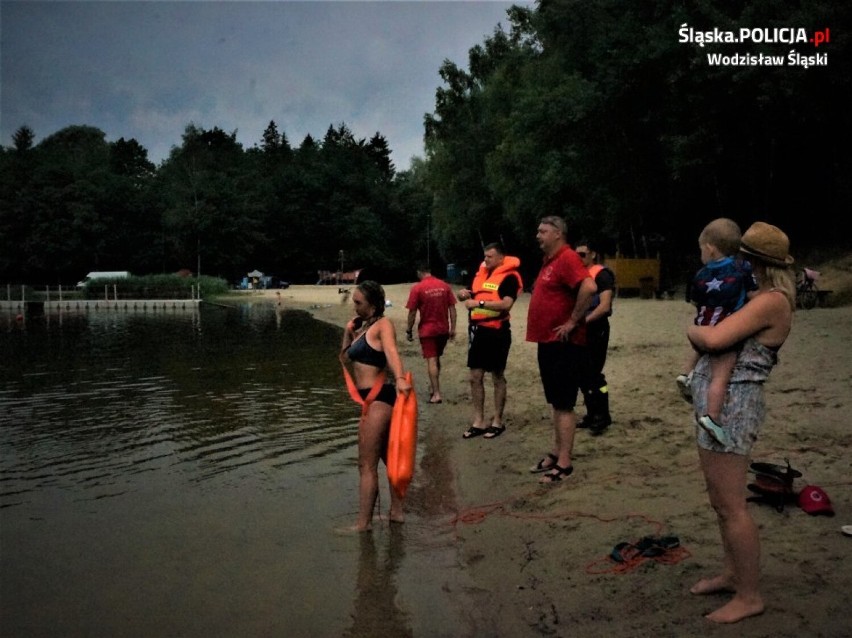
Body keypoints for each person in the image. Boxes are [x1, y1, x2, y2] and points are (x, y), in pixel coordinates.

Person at [686, 221, 795, 624]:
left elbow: (714, 340)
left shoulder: (771, 301)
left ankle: (749, 595)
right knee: (720, 501)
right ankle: (733, 574)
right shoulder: (753, 295)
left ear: (752, 261)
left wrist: (691, 328)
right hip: (721, 401)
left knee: (732, 506)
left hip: (735, 405)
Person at [526, 216, 597, 483]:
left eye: (543, 231)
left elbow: (589, 287)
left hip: (564, 344)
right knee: (556, 402)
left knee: (565, 403)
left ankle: (565, 463)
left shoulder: (567, 258)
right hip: (548, 342)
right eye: (538, 230)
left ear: (558, 234)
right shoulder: (550, 261)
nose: (537, 235)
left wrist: (572, 321)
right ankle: (557, 452)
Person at [677, 218, 757, 448]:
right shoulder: (742, 268)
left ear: (710, 248)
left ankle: (686, 372)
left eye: (701, 249)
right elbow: (752, 298)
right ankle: (712, 418)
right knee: (720, 377)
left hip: (703, 325)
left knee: (701, 343)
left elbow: (695, 301)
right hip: (726, 330)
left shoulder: (701, 274)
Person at [340, 280, 412, 532]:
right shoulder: (364, 328)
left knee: (366, 465)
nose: (354, 306)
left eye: (358, 302)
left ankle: (363, 524)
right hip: (373, 399)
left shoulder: (383, 325)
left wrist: (401, 378)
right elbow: (345, 357)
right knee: (388, 459)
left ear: (372, 304)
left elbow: (392, 352)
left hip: (379, 398)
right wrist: (349, 332)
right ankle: (396, 513)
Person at [456, 242, 523, 439]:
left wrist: (479, 302)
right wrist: (462, 295)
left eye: (490, 256)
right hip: (478, 331)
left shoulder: (509, 277)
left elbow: (506, 304)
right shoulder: (481, 275)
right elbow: (467, 295)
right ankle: (478, 421)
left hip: (498, 330)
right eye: (485, 256)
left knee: (497, 375)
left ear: (501, 258)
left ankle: (497, 421)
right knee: (475, 376)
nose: (485, 260)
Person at [574, 240, 615, 435]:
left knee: (594, 374)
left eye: (582, 254)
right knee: (581, 374)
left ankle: (602, 415)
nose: (579, 258)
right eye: (576, 255)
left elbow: (604, 306)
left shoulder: (602, 275)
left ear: (593, 254)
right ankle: (591, 413)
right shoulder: (577, 276)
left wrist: (584, 321)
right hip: (579, 330)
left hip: (596, 329)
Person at [405, 264, 457, 404]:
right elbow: (452, 308)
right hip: (443, 329)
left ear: (419, 272)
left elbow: (412, 312)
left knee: (431, 360)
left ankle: (436, 393)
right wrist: (453, 328)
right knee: (437, 357)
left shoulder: (417, 288)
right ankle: (434, 387)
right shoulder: (444, 285)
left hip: (428, 330)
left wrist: (409, 330)